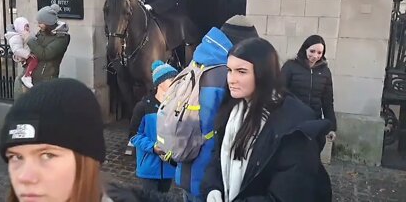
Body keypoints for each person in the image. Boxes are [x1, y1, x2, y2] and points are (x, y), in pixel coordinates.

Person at [0, 78, 178, 202]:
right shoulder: (143, 106)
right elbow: (134, 135)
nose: (24, 177)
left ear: (88, 159)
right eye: (16, 157)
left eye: (47, 155)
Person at [202, 38, 332, 202]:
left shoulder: (295, 124)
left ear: (263, 73)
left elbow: (289, 193)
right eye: (229, 70)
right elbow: (217, 157)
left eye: (241, 71)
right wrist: (213, 188)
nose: (231, 79)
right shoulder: (233, 109)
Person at [176, 15, 258, 202]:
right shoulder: (227, 75)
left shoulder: (198, 59)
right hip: (208, 176)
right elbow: (218, 131)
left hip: (186, 162)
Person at [129, 60, 178, 193]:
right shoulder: (143, 106)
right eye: (171, 79)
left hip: (169, 168)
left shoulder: (176, 106)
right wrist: (153, 147)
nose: (175, 83)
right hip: (148, 168)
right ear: (160, 82)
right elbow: (133, 136)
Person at [281, 35, 337, 140]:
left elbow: (328, 101)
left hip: (314, 121)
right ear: (305, 49)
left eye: (319, 53)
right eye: (312, 51)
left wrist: (331, 127)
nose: (315, 56)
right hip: (292, 121)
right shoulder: (290, 66)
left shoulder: (325, 72)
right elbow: (280, 93)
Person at [21, 4, 70, 89]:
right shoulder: (43, 31)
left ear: (48, 23)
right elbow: (35, 48)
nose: (38, 25)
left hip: (45, 80)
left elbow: (45, 54)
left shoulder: (62, 38)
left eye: (40, 23)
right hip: (30, 77)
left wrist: (29, 40)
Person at [5, 17, 38, 89]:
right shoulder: (15, 37)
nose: (27, 28)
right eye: (25, 26)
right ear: (19, 27)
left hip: (27, 54)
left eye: (27, 26)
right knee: (34, 60)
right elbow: (17, 49)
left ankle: (27, 76)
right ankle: (27, 76)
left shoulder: (24, 34)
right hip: (24, 56)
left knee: (34, 61)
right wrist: (27, 54)